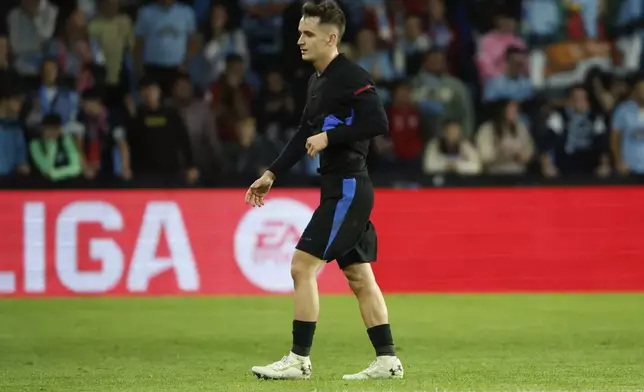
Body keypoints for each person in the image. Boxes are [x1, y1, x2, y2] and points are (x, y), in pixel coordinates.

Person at [245, 1, 404, 381]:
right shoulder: (318, 80)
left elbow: (377, 121)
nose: (299, 39)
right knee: (360, 278)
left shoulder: (350, 75)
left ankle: (299, 360)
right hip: (339, 187)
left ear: (331, 38)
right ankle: (387, 361)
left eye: (308, 34)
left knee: (301, 266)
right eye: (300, 32)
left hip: (349, 188)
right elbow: (303, 133)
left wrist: (331, 137)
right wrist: (272, 173)